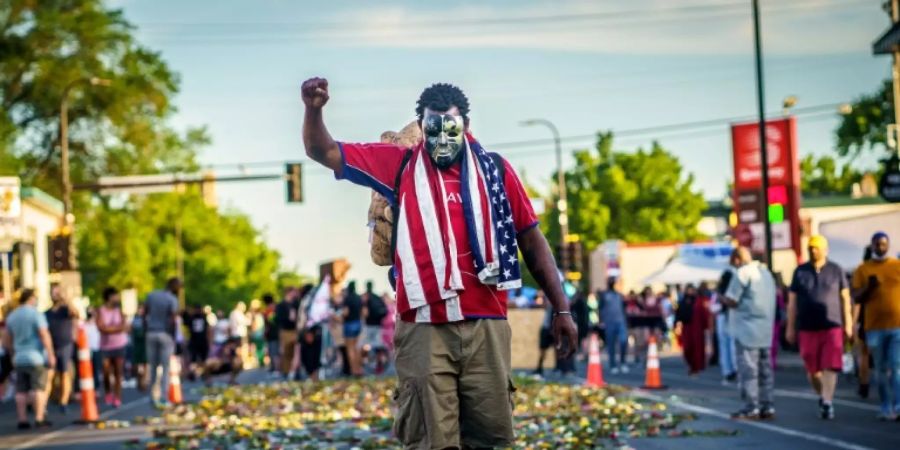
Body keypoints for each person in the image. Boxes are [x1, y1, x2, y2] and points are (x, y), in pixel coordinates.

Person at [302, 77, 578, 448]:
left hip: (486, 325)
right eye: (433, 129)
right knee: (432, 440)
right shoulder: (398, 166)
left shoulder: (496, 171)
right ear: (421, 127)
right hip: (423, 327)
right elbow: (325, 151)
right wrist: (313, 109)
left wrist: (562, 310)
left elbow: (531, 239)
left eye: (452, 128)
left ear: (466, 126)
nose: (443, 139)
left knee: (491, 438)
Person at [786, 235, 853, 420]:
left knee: (830, 365)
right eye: (811, 247)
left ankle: (827, 401)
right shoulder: (800, 272)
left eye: (817, 247)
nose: (813, 250)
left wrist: (848, 323)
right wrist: (790, 327)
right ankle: (823, 394)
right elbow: (792, 303)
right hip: (807, 327)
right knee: (813, 369)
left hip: (832, 325)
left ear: (825, 249)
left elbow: (845, 298)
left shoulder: (836, 270)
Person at [721, 246, 777, 420]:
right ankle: (767, 405)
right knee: (765, 370)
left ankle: (751, 406)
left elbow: (732, 299)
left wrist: (722, 298)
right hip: (765, 329)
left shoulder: (743, 273)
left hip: (746, 330)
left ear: (737, 259)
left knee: (749, 371)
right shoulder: (766, 273)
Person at [851, 232, 900, 420]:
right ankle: (885, 406)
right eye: (877, 244)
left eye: (883, 244)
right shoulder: (863, 269)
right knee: (880, 369)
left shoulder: (897, 266)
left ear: (888, 245)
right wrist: (869, 287)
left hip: (897, 325)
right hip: (874, 327)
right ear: (871, 246)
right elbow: (856, 297)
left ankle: (898, 405)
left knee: (896, 367)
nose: (880, 247)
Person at [4, 289, 54, 429]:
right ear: (31, 298)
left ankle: (22, 419)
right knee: (38, 388)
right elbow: (44, 334)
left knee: (21, 390)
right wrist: (50, 353)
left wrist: (13, 353)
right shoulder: (36, 314)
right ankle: (39, 418)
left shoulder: (12, 316)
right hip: (35, 357)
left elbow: (6, 340)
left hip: (19, 357)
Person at [145, 278, 180, 408]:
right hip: (165, 334)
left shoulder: (152, 295)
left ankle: (151, 396)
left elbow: (144, 314)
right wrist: (173, 337)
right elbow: (173, 319)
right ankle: (163, 397)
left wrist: (146, 330)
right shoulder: (172, 299)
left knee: (153, 366)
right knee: (165, 368)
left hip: (151, 332)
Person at [43, 284, 78, 413]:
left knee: (64, 374)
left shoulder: (66, 310)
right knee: (49, 375)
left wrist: (66, 299)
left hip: (65, 345)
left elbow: (76, 313)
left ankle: (63, 402)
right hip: (51, 347)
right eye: (53, 292)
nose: (55, 295)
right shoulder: (47, 313)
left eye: (57, 292)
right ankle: (44, 403)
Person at [97, 287, 129, 408]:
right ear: (109, 297)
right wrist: (116, 329)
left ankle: (117, 397)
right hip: (105, 346)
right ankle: (108, 392)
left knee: (118, 372)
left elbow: (124, 326)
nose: (118, 298)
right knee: (106, 371)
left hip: (119, 345)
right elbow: (101, 328)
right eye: (115, 296)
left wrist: (110, 329)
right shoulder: (101, 310)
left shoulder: (119, 310)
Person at [676, 284, 709, 376]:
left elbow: (704, 315)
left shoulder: (699, 301)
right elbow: (679, 315)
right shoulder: (683, 301)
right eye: (689, 290)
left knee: (697, 348)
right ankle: (691, 365)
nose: (690, 292)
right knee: (687, 348)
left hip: (697, 328)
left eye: (692, 290)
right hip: (686, 328)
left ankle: (696, 367)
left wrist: (706, 327)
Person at [710, 280, 737, 385]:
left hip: (729, 318)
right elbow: (713, 307)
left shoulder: (725, 293)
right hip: (724, 317)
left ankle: (732, 369)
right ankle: (729, 370)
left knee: (730, 344)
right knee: (727, 344)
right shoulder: (718, 295)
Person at [600, 277, 629, 374]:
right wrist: (601, 321)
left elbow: (624, 309)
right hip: (609, 322)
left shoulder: (619, 295)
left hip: (621, 322)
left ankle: (623, 362)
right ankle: (612, 364)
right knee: (611, 344)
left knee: (623, 341)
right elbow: (600, 309)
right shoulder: (604, 295)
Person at [361, 281, 388, 374]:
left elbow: (365, 313)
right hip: (378, 325)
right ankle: (379, 365)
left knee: (365, 345)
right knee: (378, 346)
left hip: (369, 325)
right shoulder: (378, 297)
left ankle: (365, 363)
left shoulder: (366, 297)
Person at [274, 287, 300, 378]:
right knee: (286, 352)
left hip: (295, 330)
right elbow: (277, 319)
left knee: (296, 351)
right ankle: (286, 371)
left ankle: (295, 371)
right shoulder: (281, 305)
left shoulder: (296, 304)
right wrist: (288, 318)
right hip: (285, 330)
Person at [182, 304, 211, 381]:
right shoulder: (200, 317)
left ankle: (201, 374)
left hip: (198, 341)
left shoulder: (194, 317)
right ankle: (198, 374)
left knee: (198, 359)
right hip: (197, 341)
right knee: (197, 359)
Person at [342, 281, 364, 377]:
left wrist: (339, 317)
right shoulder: (359, 298)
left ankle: (353, 371)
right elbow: (363, 312)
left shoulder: (347, 298)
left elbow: (346, 313)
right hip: (358, 323)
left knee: (350, 349)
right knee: (357, 348)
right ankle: (359, 369)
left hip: (349, 324)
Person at [130, 304, 149, 391]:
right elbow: (131, 329)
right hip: (137, 344)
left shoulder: (147, 319)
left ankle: (144, 380)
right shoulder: (135, 319)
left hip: (145, 343)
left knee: (145, 363)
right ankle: (139, 379)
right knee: (136, 363)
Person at [262, 294, 279, 373]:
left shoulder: (266, 311)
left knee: (273, 351)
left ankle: (275, 368)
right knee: (275, 351)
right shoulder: (277, 307)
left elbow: (266, 324)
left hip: (271, 334)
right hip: (278, 331)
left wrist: (265, 333)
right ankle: (275, 367)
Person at [248, 299, 266, 367]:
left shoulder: (256, 315)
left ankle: (261, 361)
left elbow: (254, 325)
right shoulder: (258, 315)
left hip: (258, 333)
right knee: (259, 348)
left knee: (259, 348)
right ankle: (260, 361)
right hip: (258, 333)